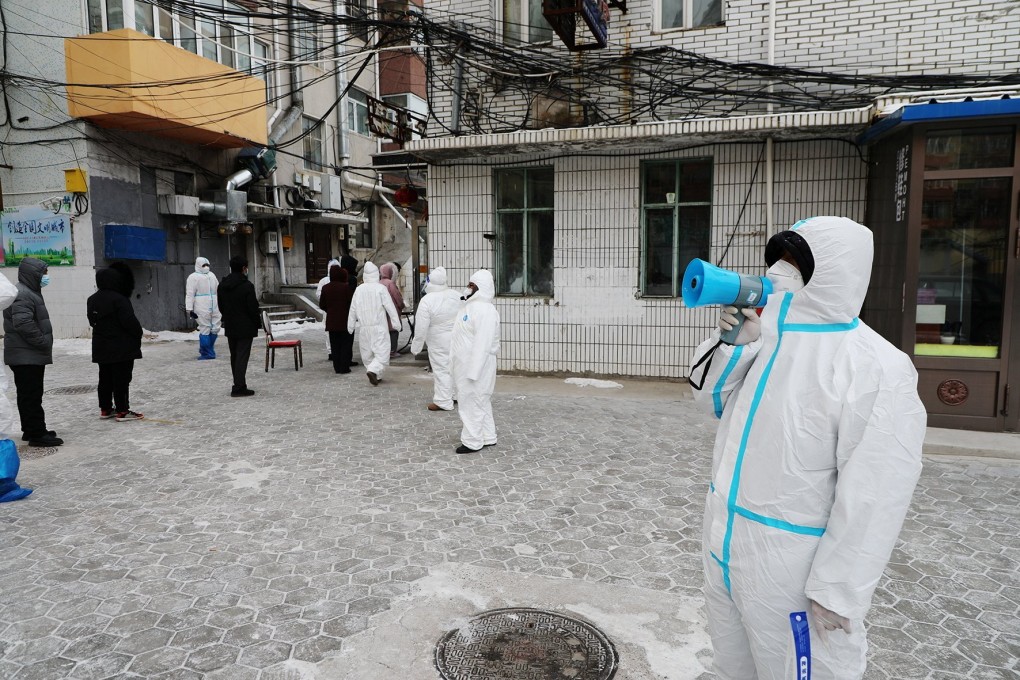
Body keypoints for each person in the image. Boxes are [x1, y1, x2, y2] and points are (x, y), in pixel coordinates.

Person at [688, 216, 925, 680]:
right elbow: (708, 399)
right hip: (725, 542)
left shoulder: (875, 367)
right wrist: (733, 346)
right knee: (731, 665)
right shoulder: (765, 333)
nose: (778, 271)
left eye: (795, 263)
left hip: (791, 569)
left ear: (836, 271)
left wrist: (839, 588)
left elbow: (877, 491)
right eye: (777, 259)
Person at [2, 258, 61, 447]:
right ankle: (36, 434)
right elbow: (23, 323)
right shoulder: (23, 294)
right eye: (43, 273)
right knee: (31, 394)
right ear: (33, 274)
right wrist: (43, 342)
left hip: (27, 354)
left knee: (30, 394)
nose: (46, 276)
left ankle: (32, 429)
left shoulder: (29, 291)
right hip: (26, 355)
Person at [450, 270, 500, 454]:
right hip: (466, 364)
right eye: (469, 284)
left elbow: (483, 344)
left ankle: (472, 441)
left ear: (481, 288)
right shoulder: (470, 307)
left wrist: (473, 371)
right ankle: (488, 436)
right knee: (480, 401)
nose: (468, 287)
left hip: (476, 366)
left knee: (471, 402)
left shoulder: (484, 310)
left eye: (472, 285)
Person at [87, 263, 144, 421]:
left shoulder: (92, 299)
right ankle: (122, 410)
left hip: (101, 346)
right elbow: (130, 322)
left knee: (104, 378)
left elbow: (92, 321)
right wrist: (138, 334)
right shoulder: (120, 299)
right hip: (121, 347)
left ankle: (105, 408)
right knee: (122, 379)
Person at [410, 266, 462, 411]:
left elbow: (421, 327)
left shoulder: (427, 300)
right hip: (457, 337)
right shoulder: (456, 295)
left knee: (441, 369)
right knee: (454, 367)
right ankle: (455, 395)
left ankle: (443, 401)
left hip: (438, 339)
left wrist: (416, 347)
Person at [347, 261, 399, 386]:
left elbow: (352, 309)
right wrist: (396, 323)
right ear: (377, 274)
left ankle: (376, 375)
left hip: (364, 328)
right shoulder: (380, 288)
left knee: (367, 354)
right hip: (379, 327)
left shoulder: (359, 290)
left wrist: (350, 325)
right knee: (382, 353)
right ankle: (373, 371)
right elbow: (390, 307)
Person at [217, 255, 261, 397]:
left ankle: (238, 383)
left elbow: (221, 306)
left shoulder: (223, 285)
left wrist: (228, 317)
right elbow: (252, 308)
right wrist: (257, 323)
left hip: (230, 325)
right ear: (243, 268)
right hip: (245, 326)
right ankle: (239, 387)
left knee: (235, 356)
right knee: (242, 356)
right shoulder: (247, 286)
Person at [318, 264, 355, 374]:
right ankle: (344, 367)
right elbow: (351, 303)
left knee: (335, 345)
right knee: (345, 344)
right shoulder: (346, 287)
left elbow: (322, 304)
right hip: (345, 320)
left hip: (332, 321)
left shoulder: (325, 288)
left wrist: (330, 310)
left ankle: (337, 367)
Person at [185, 256, 222, 360]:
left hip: (215, 305)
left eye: (207, 265)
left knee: (215, 328)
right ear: (198, 265)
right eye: (203, 265)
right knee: (205, 328)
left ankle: (207, 350)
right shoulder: (193, 277)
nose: (206, 267)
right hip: (201, 306)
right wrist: (189, 309)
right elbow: (190, 294)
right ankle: (207, 353)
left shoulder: (212, 275)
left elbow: (219, 290)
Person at [316, 258, 341, 361]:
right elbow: (319, 294)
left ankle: (339, 350)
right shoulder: (324, 281)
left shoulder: (341, 279)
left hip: (338, 310)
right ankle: (331, 351)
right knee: (328, 331)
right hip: (329, 310)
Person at [379, 262, 405, 357]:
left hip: (382, 312)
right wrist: (402, 305)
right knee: (393, 331)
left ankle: (385, 350)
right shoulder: (390, 283)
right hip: (392, 311)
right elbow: (397, 297)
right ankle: (392, 351)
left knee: (385, 332)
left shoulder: (378, 283)